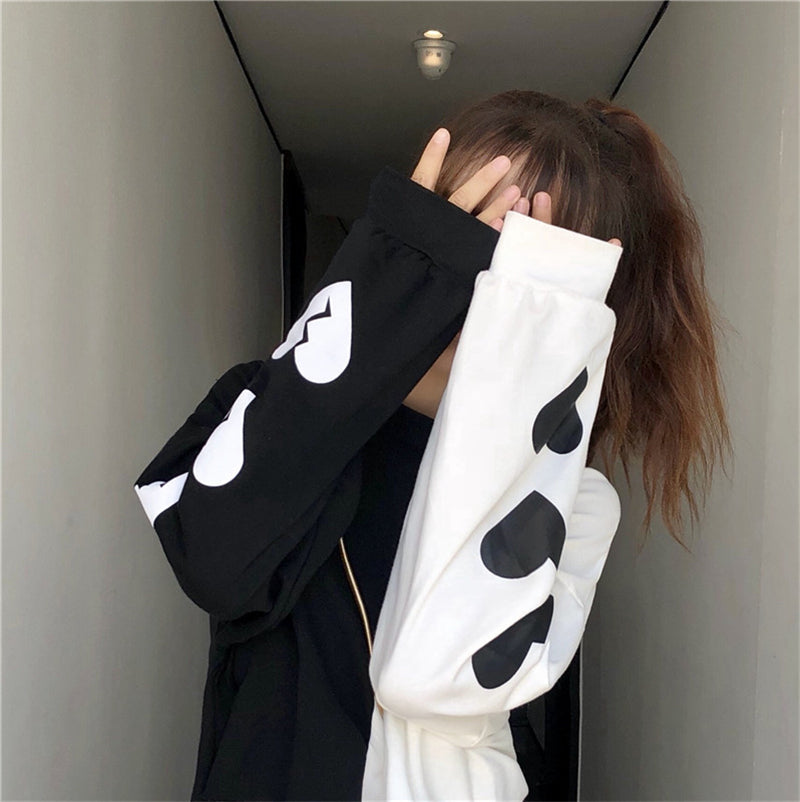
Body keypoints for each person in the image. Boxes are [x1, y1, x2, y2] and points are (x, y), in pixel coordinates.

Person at [134, 89, 731, 801]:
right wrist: (383, 293)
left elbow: (429, 677)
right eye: (460, 228)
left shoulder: (575, 500)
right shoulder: (270, 399)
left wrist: (519, 366)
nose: (476, 271)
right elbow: (213, 557)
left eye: (523, 259)